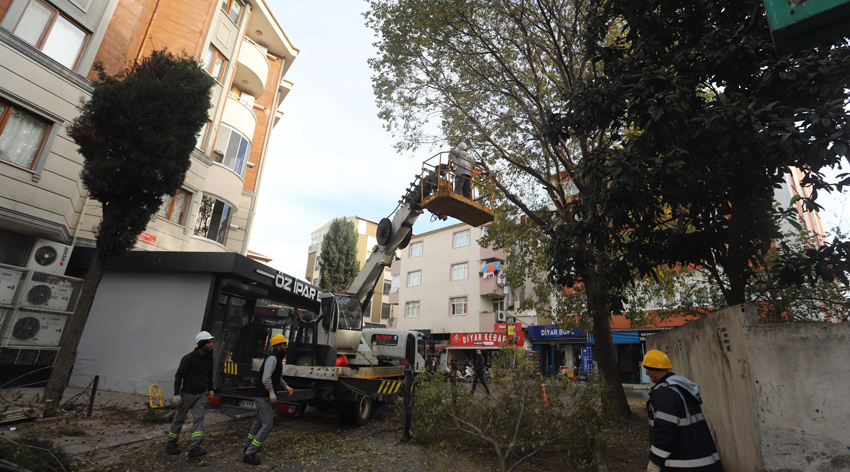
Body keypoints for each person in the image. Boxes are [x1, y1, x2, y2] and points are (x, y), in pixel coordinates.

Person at [641, 350, 724, 472]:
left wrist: (655, 461)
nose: (646, 372)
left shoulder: (664, 394)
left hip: (685, 464)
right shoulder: (681, 387)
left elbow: (665, 431)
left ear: (654, 369)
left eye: (647, 368)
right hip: (702, 460)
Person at [242, 334, 293, 466]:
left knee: (259, 422)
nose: (286, 346)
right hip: (263, 396)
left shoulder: (276, 359)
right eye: (284, 344)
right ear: (277, 346)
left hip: (262, 395)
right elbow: (266, 378)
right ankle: (249, 454)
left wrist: (286, 386)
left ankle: (248, 446)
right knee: (267, 425)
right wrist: (271, 392)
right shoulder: (273, 358)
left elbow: (276, 377)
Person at [166, 331, 215, 457]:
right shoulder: (189, 358)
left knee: (199, 419)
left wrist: (211, 389)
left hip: (201, 394)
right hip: (187, 393)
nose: (211, 344)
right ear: (202, 344)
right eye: (209, 342)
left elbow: (209, 375)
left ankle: (195, 447)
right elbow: (179, 376)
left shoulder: (209, 358)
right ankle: (171, 443)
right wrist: (177, 394)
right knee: (179, 419)